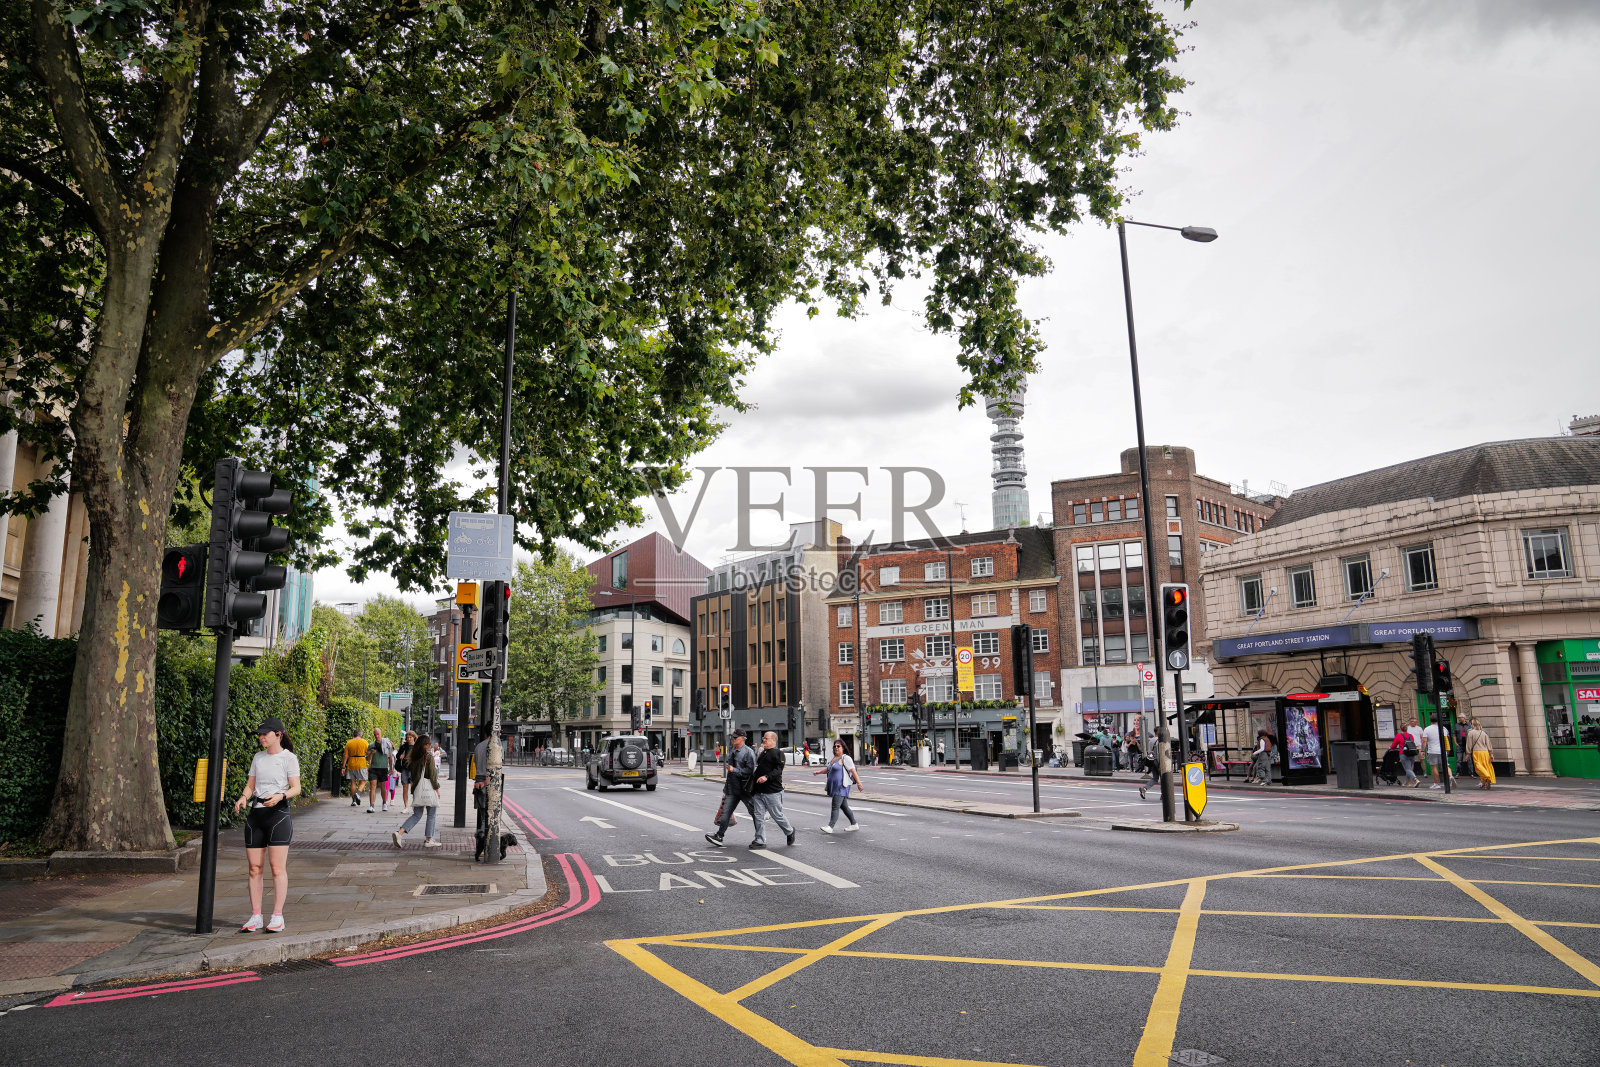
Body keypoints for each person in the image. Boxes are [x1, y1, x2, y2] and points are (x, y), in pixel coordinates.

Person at [234, 717, 301, 933]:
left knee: (277, 868)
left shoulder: (288, 758)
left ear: (278, 734)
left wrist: (281, 795)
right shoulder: (258, 758)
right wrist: (243, 797)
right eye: (260, 734)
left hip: (278, 815)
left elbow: (296, 788)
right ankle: (256, 916)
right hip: (256, 816)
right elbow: (250, 785)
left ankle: (277, 916)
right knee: (254, 869)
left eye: (265, 734)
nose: (262, 737)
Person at [705, 732, 758, 847]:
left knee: (755, 813)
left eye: (735, 737)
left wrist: (735, 770)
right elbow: (730, 773)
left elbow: (750, 771)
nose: (733, 739)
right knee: (725, 813)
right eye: (732, 737)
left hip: (745, 789)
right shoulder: (733, 750)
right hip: (732, 789)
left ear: (743, 738)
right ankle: (719, 836)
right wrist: (726, 787)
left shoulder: (748, 752)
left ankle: (760, 837)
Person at [748, 731, 796, 849]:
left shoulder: (778, 753)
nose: (763, 740)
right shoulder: (763, 752)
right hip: (759, 791)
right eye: (763, 738)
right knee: (758, 816)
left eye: (766, 738)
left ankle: (789, 831)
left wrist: (766, 777)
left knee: (777, 815)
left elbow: (779, 770)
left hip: (773, 791)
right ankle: (760, 840)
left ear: (774, 740)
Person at [393, 735, 442, 848]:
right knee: (431, 814)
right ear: (424, 745)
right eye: (428, 744)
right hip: (428, 789)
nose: (430, 746)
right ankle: (428, 840)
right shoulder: (428, 757)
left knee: (417, 814)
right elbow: (432, 776)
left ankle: (399, 833)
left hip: (417, 788)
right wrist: (437, 789)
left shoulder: (413, 756)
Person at [814, 740, 865, 832]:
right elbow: (828, 769)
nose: (836, 748)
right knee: (844, 806)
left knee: (835, 806)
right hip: (835, 787)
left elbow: (853, 771)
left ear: (843, 748)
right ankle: (854, 824)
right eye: (835, 746)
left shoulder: (846, 758)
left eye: (838, 746)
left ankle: (830, 827)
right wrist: (818, 772)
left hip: (841, 786)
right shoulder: (834, 758)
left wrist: (859, 783)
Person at [1421, 717, 1453, 789]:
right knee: (1446, 766)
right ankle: (1451, 777)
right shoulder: (1443, 728)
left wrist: (1422, 750)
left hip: (1432, 751)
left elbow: (1424, 741)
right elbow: (1447, 739)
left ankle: (1436, 783)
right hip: (1443, 750)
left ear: (1430, 721)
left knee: (1434, 767)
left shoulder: (1427, 729)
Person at [1465, 719, 1497, 789]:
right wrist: (1491, 754)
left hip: (1477, 752)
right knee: (1486, 766)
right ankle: (1484, 783)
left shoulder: (1471, 733)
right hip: (1485, 752)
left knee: (1478, 767)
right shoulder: (1483, 733)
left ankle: (1487, 777)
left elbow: (1469, 744)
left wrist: (1468, 754)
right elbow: (1489, 744)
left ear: (1472, 725)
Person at [342, 731, 369, 805]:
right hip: (361, 764)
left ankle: (354, 801)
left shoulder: (349, 743)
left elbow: (345, 755)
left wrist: (343, 767)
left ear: (353, 735)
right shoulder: (365, 742)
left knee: (353, 782)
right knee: (363, 781)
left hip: (351, 764)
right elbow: (368, 754)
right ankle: (358, 793)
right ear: (360, 734)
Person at [1389, 723, 1420, 787]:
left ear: (1400, 729)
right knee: (1409, 769)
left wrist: (1390, 748)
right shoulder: (1410, 736)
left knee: (1407, 769)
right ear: (1407, 729)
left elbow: (1394, 745)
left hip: (1403, 754)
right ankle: (1407, 783)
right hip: (1412, 754)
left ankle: (1416, 780)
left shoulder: (1399, 736)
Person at [395, 730, 416, 812]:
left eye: (410, 737)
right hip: (405, 769)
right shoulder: (404, 746)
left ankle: (415, 805)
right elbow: (397, 755)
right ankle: (406, 807)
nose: (409, 739)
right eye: (407, 738)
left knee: (414, 788)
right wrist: (400, 756)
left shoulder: (417, 746)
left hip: (414, 769)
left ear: (414, 737)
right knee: (405, 787)